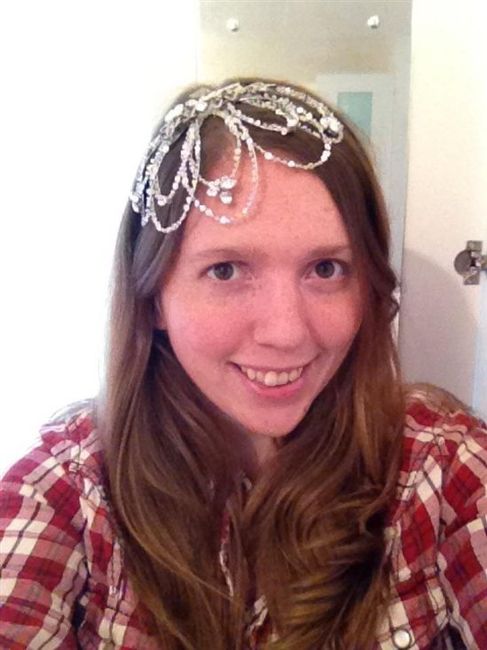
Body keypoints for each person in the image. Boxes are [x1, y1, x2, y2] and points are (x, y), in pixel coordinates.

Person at [0, 79, 486, 650]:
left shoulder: (440, 468)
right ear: (153, 296)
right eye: (226, 270)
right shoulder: (69, 490)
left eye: (326, 269)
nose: (286, 332)